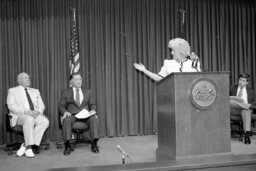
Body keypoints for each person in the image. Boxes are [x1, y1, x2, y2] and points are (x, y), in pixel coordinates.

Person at [7, 72, 49, 158]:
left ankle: (25, 145)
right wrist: (26, 112)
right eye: (25, 78)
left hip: (34, 114)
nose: (28, 79)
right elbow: (11, 106)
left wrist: (38, 112)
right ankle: (29, 148)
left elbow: (41, 105)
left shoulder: (35, 91)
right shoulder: (12, 91)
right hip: (20, 115)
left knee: (45, 121)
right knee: (29, 119)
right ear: (19, 81)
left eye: (29, 78)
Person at [58, 73, 99, 156]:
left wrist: (93, 110)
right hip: (72, 116)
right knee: (66, 120)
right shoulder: (66, 92)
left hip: (85, 115)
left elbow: (92, 104)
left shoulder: (88, 91)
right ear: (72, 81)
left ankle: (94, 143)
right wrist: (65, 112)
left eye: (80, 79)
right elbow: (61, 106)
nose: (79, 81)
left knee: (93, 118)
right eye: (77, 79)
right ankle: (67, 145)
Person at [134, 38, 201, 81]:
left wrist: (195, 62)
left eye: (173, 50)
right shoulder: (168, 63)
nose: (171, 53)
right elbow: (159, 78)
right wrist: (144, 70)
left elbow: (200, 80)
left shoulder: (193, 62)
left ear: (181, 51)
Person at [230, 73, 256, 144]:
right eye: (240, 80)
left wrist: (246, 106)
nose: (240, 82)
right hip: (234, 112)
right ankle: (247, 106)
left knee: (245, 110)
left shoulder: (251, 91)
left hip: (245, 112)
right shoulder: (232, 88)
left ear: (247, 82)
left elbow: (254, 103)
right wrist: (248, 105)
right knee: (230, 101)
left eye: (243, 81)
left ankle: (246, 134)